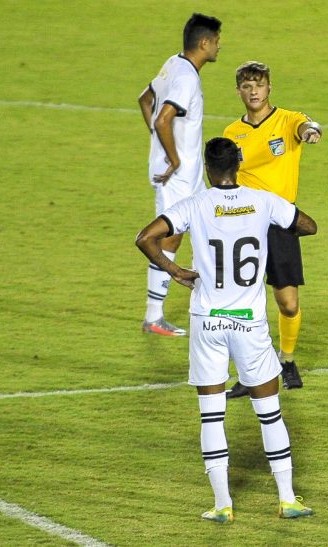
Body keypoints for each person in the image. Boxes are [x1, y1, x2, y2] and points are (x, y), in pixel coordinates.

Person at [136, 137, 318, 522]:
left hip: (208, 319)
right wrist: (270, 222)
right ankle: (287, 499)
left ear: (206, 167)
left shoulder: (194, 204)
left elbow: (145, 238)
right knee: (269, 412)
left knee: (211, 415)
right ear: (238, 162)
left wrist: (175, 270)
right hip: (249, 323)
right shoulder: (263, 200)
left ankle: (222, 505)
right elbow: (308, 225)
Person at [222, 61, 322, 394]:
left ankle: (287, 360)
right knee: (243, 302)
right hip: (244, 222)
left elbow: (307, 125)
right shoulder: (231, 133)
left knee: (288, 302)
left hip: (280, 221)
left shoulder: (287, 119)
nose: (253, 92)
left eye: (259, 86)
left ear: (269, 89)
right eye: (247, 87)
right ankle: (249, 372)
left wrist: (310, 133)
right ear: (238, 91)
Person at [137, 13, 222, 336]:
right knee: (169, 235)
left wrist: (161, 149)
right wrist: (172, 158)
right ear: (204, 43)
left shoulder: (173, 63)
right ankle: (154, 316)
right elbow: (162, 119)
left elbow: (145, 100)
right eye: (216, 41)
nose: (218, 47)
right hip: (179, 175)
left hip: (188, 174)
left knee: (206, 222)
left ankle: (210, 295)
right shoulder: (186, 78)